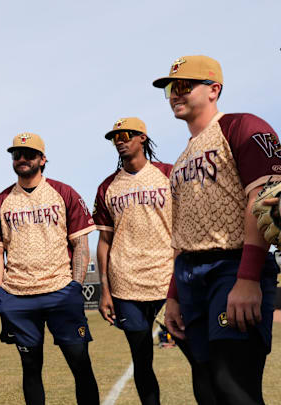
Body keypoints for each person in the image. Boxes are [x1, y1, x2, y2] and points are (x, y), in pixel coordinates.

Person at [154, 55, 281, 404]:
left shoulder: (243, 126)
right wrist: (173, 294)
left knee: (233, 385)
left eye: (183, 86)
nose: (174, 94)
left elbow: (264, 199)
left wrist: (248, 277)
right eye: (169, 88)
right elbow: (181, 232)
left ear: (214, 89)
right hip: (189, 276)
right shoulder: (180, 159)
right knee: (207, 388)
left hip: (232, 266)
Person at [93, 117, 216, 404]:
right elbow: (104, 242)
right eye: (115, 137)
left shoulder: (169, 174)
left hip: (168, 281)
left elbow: (187, 225)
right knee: (142, 362)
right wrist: (105, 289)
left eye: (125, 134)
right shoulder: (107, 187)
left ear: (142, 138)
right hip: (126, 284)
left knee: (197, 357)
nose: (120, 140)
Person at [0, 133, 99, 405]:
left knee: (80, 365)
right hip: (19, 297)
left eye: (29, 154)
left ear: (43, 159)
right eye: (16, 154)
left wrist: (75, 287)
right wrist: (3, 294)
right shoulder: (1, 200)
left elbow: (81, 243)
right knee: (31, 369)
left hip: (60, 292)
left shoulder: (64, 192)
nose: (22, 159)